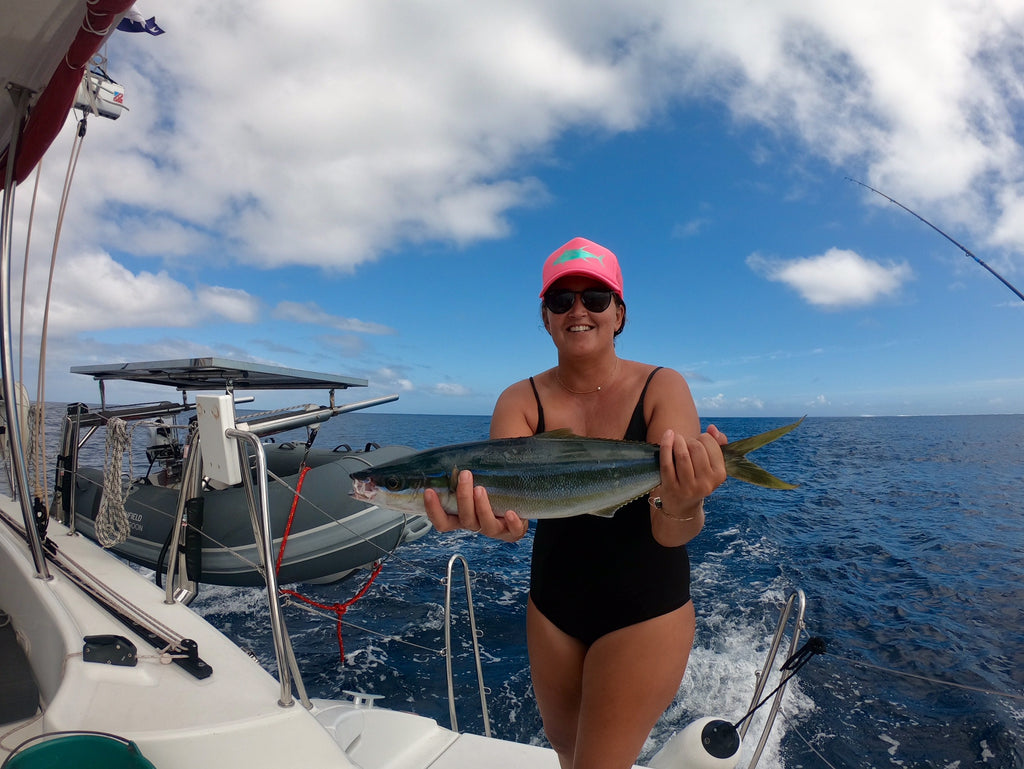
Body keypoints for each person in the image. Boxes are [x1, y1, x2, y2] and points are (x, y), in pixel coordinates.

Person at [424, 236, 728, 769]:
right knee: (566, 752)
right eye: (561, 300)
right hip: (553, 606)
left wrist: (685, 500)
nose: (578, 310)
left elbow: (672, 531)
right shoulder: (519, 399)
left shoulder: (662, 385)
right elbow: (513, 525)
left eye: (595, 297)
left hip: (646, 608)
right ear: (545, 317)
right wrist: (488, 525)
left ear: (620, 313)